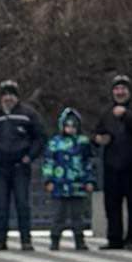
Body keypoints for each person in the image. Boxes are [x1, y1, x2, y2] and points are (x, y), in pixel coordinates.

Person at [0, 81, 45, 252]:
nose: (8, 98)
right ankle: (0, 240)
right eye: (5, 94)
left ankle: (26, 240)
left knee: (22, 203)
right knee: (1, 205)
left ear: (17, 96)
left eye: (12, 94)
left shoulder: (28, 114)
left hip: (20, 166)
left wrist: (30, 156)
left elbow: (40, 137)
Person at [93, 73, 132, 250]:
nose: (119, 92)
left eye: (123, 88)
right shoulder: (106, 112)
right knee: (112, 204)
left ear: (129, 91)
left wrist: (126, 115)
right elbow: (95, 133)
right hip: (111, 164)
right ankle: (114, 238)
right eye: (116, 89)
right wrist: (98, 139)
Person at [41, 108, 95, 252]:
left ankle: (79, 239)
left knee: (78, 215)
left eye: (73, 126)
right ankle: (55, 239)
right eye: (67, 126)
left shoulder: (83, 143)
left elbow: (87, 163)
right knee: (59, 214)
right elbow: (48, 162)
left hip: (77, 185)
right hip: (59, 184)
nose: (70, 129)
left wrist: (89, 180)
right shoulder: (55, 143)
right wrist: (48, 180)